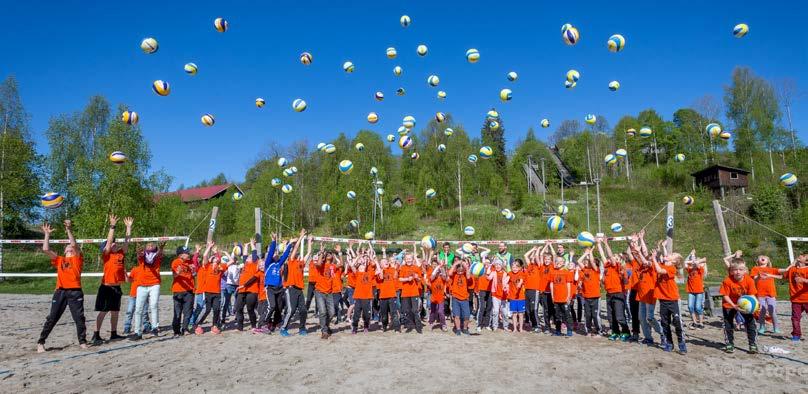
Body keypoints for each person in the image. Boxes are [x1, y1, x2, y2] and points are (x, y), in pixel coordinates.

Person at [37, 220, 87, 353]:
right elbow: (45, 249)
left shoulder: (77, 259)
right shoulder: (60, 260)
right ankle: (41, 342)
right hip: (60, 292)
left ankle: (82, 342)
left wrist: (69, 229)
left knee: (79, 318)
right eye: (67, 247)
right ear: (64, 251)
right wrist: (47, 234)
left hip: (75, 292)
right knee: (52, 317)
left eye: (71, 247)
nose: (69, 248)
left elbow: (75, 244)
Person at [92, 215, 133, 345]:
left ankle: (113, 334)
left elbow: (127, 242)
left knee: (115, 312)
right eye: (112, 243)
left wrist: (128, 227)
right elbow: (109, 242)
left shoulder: (120, 253)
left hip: (116, 287)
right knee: (103, 311)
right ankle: (96, 335)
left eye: (115, 242)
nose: (114, 243)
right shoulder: (107, 255)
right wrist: (112, 226)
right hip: (106, 287)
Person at [653, 247, 687, 354]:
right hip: (663, 300)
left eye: (672, 255)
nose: (669, 254)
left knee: (677, 322)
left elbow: (659, 270)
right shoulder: (664, 264)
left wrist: (654, 258)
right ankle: (669, 343)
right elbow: (664, 259)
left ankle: (681, 343)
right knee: (664, 323)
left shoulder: (672, 268)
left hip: (672, 300)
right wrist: (662, 248)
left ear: (674, 261)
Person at [719, 259, 758, 353]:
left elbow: (752, 295)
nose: (738, 272)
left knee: (750, 323)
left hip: (744, 305)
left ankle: (752, 344)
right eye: (735, 269)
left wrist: (754, 306)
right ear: (731, 270)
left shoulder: (749, 280)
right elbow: (725, 295)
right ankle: (730, 344)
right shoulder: (727, 281)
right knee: (728, 324)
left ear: (745, 270)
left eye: (740, 269)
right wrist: (734, 305)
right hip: (729, 304)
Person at [193, 242, 230, 335]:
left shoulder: (220, 267)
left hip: (217, 292)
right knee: (207, 309)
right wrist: (209, 247)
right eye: (214, 257)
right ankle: (197, 324)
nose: (216, 257)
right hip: (208, 291)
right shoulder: (207, 267)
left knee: (217, 309)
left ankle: (214, 326)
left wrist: (226, 254)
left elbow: (232, 261)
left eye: (217, 257)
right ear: (211, 260)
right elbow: (205, 256)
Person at [131, 240, 165, 340]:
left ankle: (155, 327)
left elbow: (159, 254)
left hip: (154, 283)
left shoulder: (157, 256)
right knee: (138, 309)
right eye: (148, 245)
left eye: (152, 245)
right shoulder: (143, 256)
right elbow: (139, 255)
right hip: (141, 285)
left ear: (155, 247)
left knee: (153, 305)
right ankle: (138, 332)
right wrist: (138, 249)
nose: (150, 246)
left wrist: (161, 248)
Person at [597, 237, 629, 341]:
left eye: (615, 257)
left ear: (618, 260)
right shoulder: (607, 266)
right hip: (609, 294)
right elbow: (603, 256)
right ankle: (615, 332)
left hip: (618, 294)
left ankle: (626, 331)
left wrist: (606, 243)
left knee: (619, 316)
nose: (611, 258)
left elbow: (609, 255)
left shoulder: (617, 266)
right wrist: (598, 244)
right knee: (611, 316)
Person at [279, 230, 309, 336]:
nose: (295, 252)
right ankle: (283, 328)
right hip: (291, 288)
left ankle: (302, 329)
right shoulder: (291, 261)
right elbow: (296, 248)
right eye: (293, 252)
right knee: (291, 310)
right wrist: (301, 237)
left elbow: (309, 253)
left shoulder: (300, 263)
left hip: (299, 289)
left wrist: (309, 242)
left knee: (303, 310)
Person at [264, 234, 293, 331]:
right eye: (274, 253)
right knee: (271, 306)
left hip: (279, 289)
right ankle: (264, 323)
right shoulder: (268, 263)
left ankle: (274, 324)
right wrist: (274, 241)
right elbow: (271, 251)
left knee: (279, 308)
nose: (276, 253)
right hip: (270, 288)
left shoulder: (279, 263)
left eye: (277, 252)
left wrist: (290, 244)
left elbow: (285, 255)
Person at [779, 253, 808, 342]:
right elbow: (782, 276)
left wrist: (803, 280)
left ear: (806, 261)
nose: (800, 256)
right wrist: (769, 275)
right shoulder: (792, 269)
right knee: (795, 318)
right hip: (795, 299)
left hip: (807, 299)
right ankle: (796, 335)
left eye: (803, 256)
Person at [313, 244, 340, 339]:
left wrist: (339, 253)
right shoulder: (321, 265)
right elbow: (319, 263)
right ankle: (324, 331)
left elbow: (341, 264)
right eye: (327, 253)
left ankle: (326, 325)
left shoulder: (332, 266)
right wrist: (321, 252)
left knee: (332, 313)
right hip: (319, 291)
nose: (329, 254)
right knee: (323, 312)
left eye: (330, 253)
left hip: (329, 292)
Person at [750, 255, 782, 334]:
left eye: (765, 257)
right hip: (760, 294)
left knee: (772, 311)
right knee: (762, 311)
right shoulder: (755, 268)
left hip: (771, 293)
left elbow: (781, 276)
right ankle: (762, 327)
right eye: (760, 257)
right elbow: (754, 279)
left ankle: (776, 327)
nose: (763, 257)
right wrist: (759, 277)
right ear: (758, 260)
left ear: (768, 261)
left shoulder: (771, 269)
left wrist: (771, 275)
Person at [350, 249, 379, 334]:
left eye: (363, 267)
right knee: (356, 315)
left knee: (367, 314)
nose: (362, 268)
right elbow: (352, 266)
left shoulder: (369, 274)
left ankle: (366, 326)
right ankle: (354, 328)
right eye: (360, 267)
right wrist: (358, 257)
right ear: (358, 268)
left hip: (367, 297)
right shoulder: (357, 274)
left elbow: (378, 270)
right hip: (358, 297)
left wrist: (371, 258)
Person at [234, 240, 261, 331]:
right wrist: (246, 245)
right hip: (242, 290)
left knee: (250, 309)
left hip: (251, 290)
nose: (248, 257)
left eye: (251, 257)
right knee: (239, 308)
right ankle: (239, 327)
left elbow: (254, 253)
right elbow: (245, 255)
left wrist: (253, 244)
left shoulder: (254, 264)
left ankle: (253, 326)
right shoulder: (245, 264)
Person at [170, 245, 195, 336]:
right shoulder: (175, 262)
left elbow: (194, 273)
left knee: (188, 311)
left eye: (188, 252)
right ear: (180, 255)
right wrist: (177, 272)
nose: (188, 254)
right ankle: (176, 330)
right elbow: (174, 276)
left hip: (189, 290)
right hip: (178, 290)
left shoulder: (190, 262)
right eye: (186, 253)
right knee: (177, 311)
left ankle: (185, 328)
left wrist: (193, 270)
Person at [398, 245, 424, 333]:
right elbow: (400, 279)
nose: (408, 260)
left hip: (414, 292)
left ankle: (418, 326)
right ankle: (409, 325)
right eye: (407, 259)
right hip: (405, 293)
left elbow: (420, 279)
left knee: (415, 310)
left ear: (413, 259)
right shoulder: (402, 268)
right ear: (405, 260)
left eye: (410, 258)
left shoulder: (416, 267)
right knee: (406, 310)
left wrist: (416, 277)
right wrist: (407, 279)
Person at [579, 248, 602, 336]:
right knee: (587, 315)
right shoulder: (585, 270)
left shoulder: (596, 270)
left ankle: (599, 331)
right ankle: (588, 330)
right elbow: (579, 261)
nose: (586, 262)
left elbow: (592, 261)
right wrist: (585, 254)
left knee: (595, 316)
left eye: (588, 262)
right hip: (586, 297)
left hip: (595, 297)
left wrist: (591, 252)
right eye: (586, 262)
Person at [123, 263, 151, 335]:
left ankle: (146, 326)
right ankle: (127, 327)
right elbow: (129, 280)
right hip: (133, 294)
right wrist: (125, 274)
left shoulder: (148, 269)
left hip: (143, 294)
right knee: (130, 311)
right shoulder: (135, 269)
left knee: (144, 312)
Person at [549, 255, 574, 336]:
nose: (558, 262)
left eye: (560, 261)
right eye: (557, 261)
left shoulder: (566, 272)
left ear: (563, 263)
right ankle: (558, 331)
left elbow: (568, 285)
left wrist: (568, 296)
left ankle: (569, 331)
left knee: (567, 315)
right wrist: (552, 296)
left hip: (564, 298)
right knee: (557, 316)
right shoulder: (553, 272)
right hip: (556, 298)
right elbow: (551, 284)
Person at [377, 248, 400, 332]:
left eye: (386, 261)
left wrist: (394, 264)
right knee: (384, 314)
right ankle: (384, 326)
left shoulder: (392, 269)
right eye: (383, 262)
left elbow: (395, 275)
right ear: (380, 265)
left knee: (394, 313)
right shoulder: (379, 272)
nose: (386, 262)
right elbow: (381, 277)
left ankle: (397, 328)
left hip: (392, 295)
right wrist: (381, 269)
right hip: (383, 296)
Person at [448, 258, 472, 335]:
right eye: (459, 269)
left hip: (464, 298)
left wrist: (466, 266)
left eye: (462, 270)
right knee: (456, 315)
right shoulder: (454, 274)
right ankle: (458, 329)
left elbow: (468, 277)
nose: (460, 271)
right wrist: (455, 264)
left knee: (466, 316)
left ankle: (465, 328)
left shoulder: (466, 274)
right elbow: (449, 273)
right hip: (455, 297)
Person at [685, 250, 707, 329]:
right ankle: (695, 322)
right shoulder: (689, 270)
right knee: (690, 307)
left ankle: (701, 322)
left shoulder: (700, 270)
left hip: (699, 292)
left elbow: (701, 261)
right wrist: (691, 254)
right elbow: (685, 262)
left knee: (698, 307)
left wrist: (695, 259)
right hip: (690, 291)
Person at [523, 246, 543, 332]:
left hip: (535, 290)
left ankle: (537, 326)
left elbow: (537, 257)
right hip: (527, 290)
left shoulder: (538, 266)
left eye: (533, 258)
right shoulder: (529, 266)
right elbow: (525, 255)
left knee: (534, 309)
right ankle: (533, 324)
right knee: (527, 309)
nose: (532, 258)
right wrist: (533, 249)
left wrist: (537, 250)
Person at [428, 256, 448, 331]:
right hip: (433, 296)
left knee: (440, 311)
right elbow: (432, 277)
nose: (434, 266)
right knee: (433, 311)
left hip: (441, 297)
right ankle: (431, 322)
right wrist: (439, 266)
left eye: (435, 264)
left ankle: (443, 324)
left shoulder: (441, 273)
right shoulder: (431, 273)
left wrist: (441, 267)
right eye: (433, 264)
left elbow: (444, 277)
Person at [508, 259, 526, 333]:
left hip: (521, 297)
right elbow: (506, 279)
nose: (514, 269)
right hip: (512, 297)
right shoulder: (509, 273)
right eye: (513, 267)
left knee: (521, 314)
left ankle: (521, 328)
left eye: (516, 267)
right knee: (514, 314)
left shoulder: (521, 273)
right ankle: (515, 328)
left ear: (519, 268)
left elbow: (521, 280)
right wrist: (504, 283)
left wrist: (519, 284)